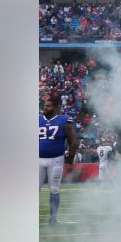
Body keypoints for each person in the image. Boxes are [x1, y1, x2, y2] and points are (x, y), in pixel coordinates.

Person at [39, 97, 77, 226]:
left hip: (56, 159)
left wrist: (70, 161)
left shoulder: (64, 120)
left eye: (48, 106)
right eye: (44, 105)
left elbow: (73, 142)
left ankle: (53, 219)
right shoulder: (37, 119)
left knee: (54, 189)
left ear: (55, 107)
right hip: (38, 160)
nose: (45, 108)